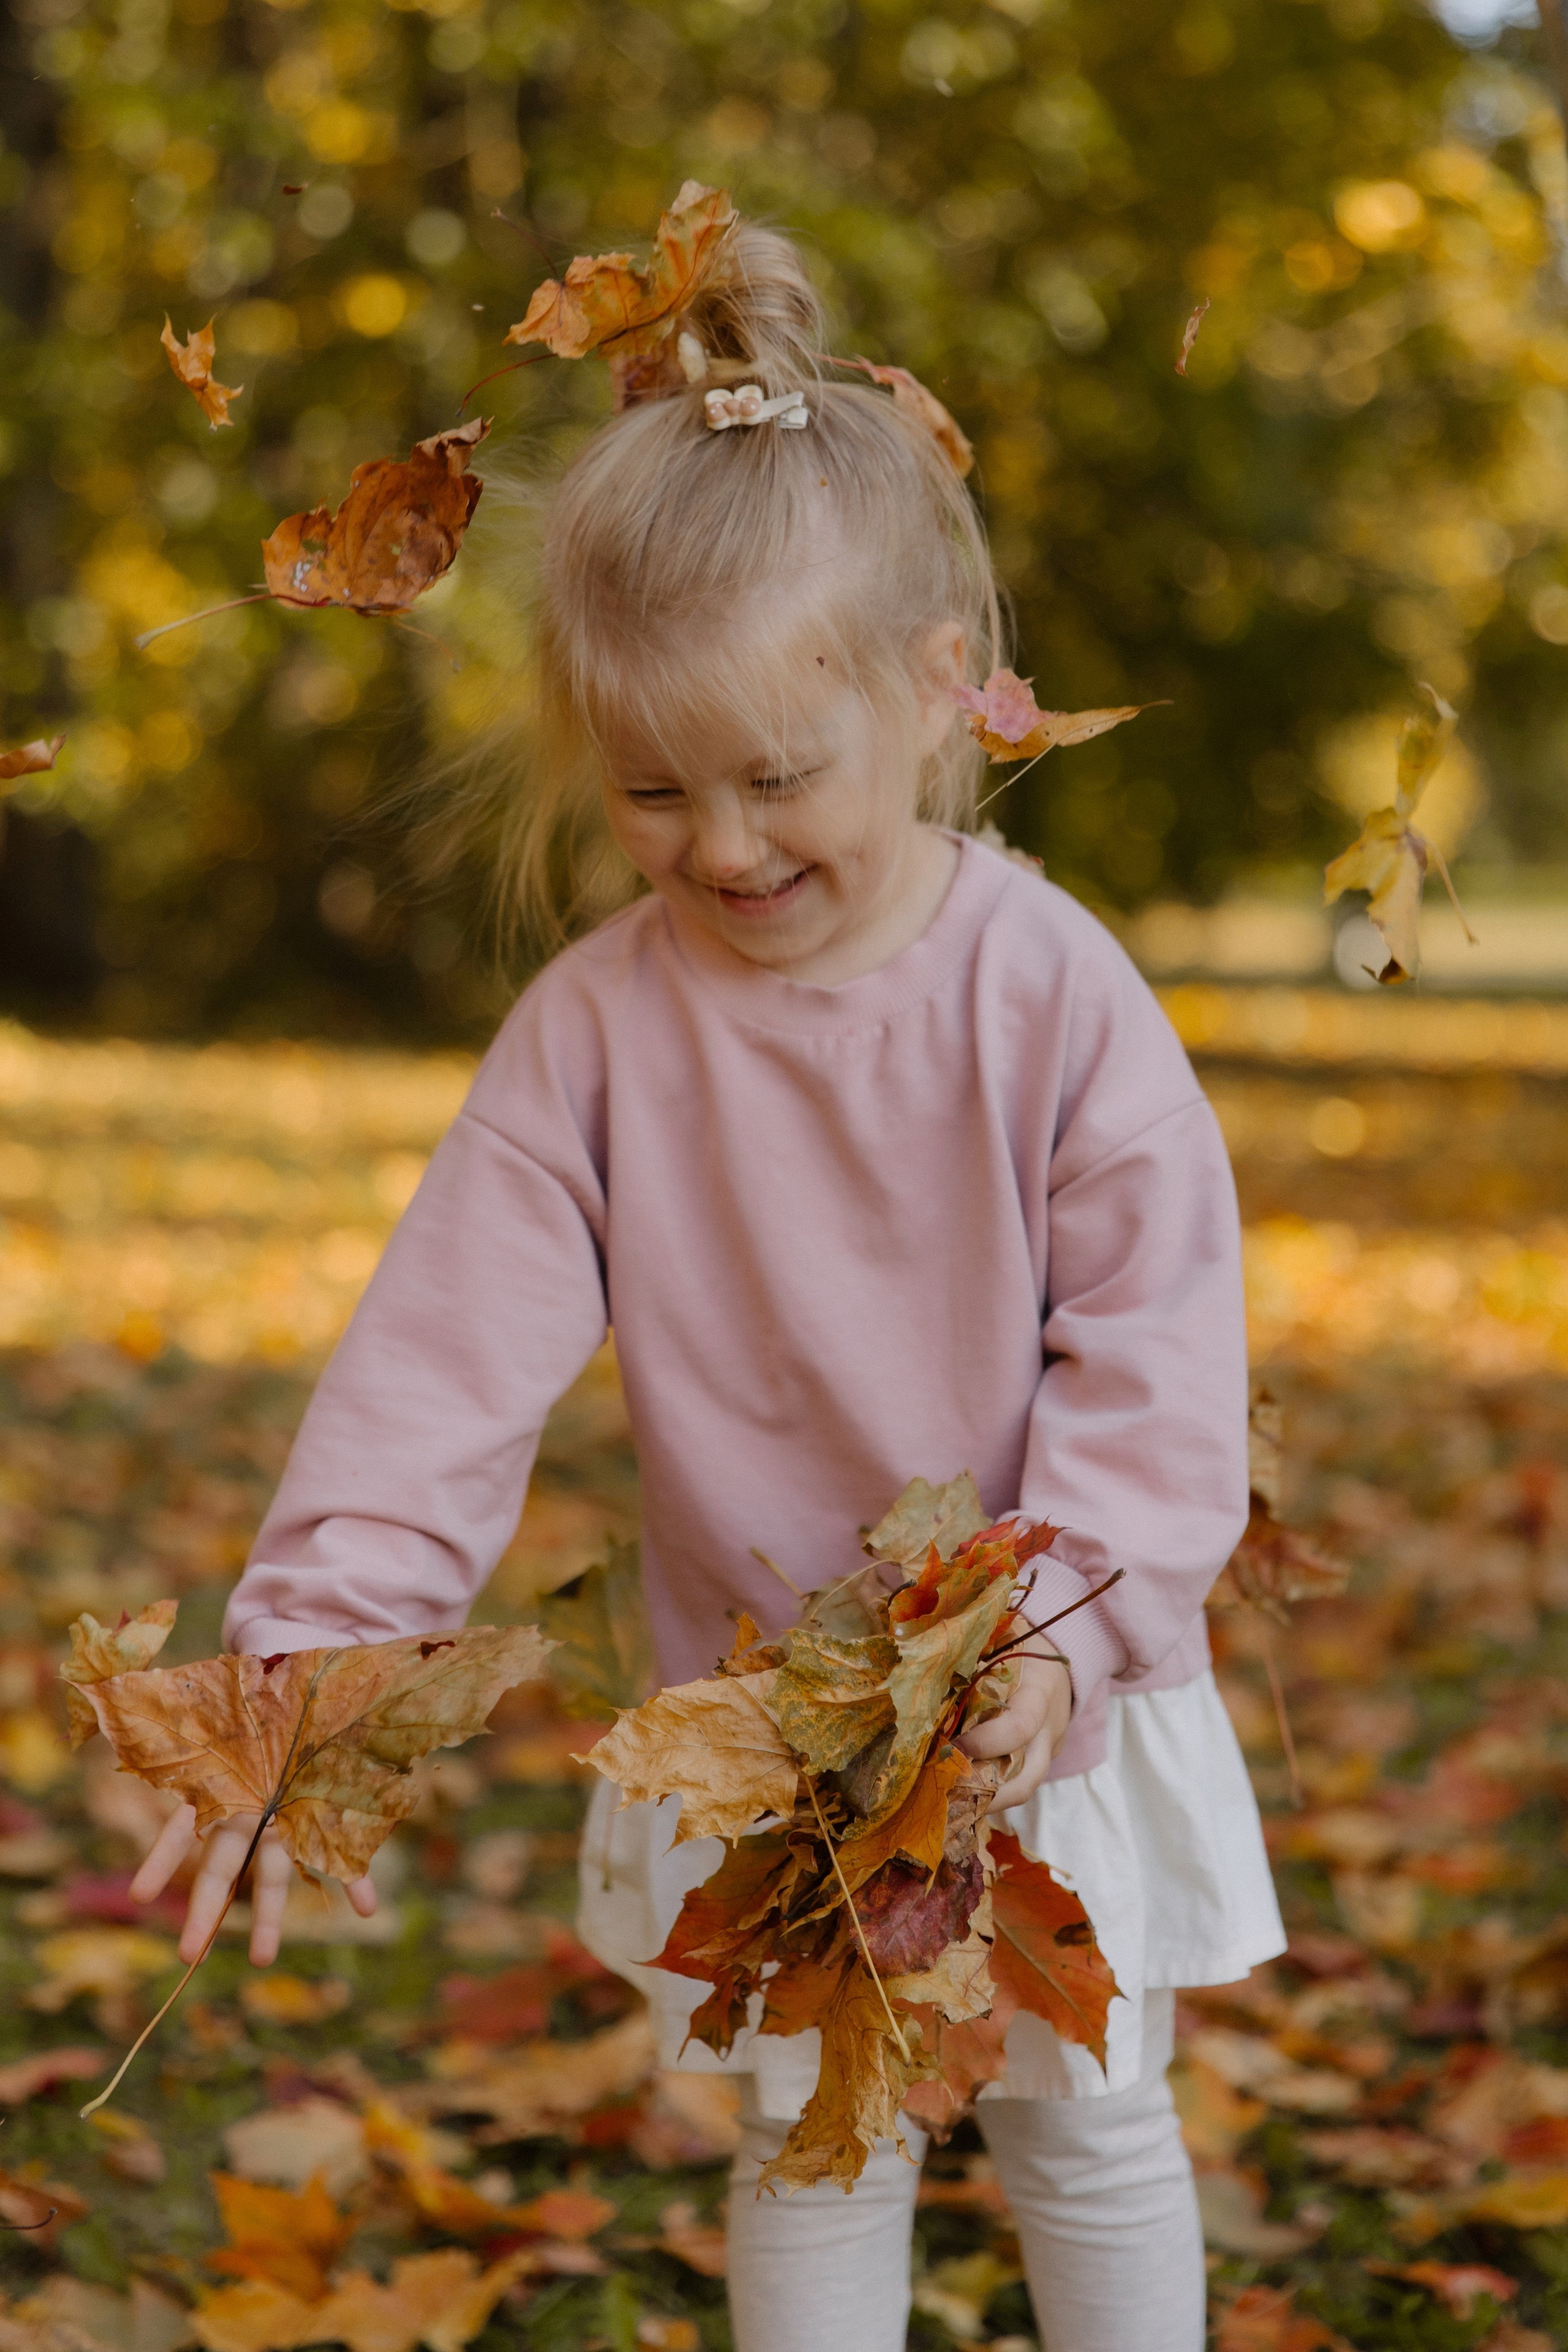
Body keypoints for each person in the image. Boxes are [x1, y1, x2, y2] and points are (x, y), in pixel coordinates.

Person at [130, 204, 1284, 2352]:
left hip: (1039, 1688)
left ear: (941, 697)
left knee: (1088, 2115)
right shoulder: (600, 1027)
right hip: (770, 1708)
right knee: (807, 2134)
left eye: (777, 780)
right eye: (657, 791)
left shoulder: (1043, 988)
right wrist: (310, 1666)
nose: (726, 847)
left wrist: (1071, 1622)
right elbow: (443, 1364)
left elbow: (1154, 1337)